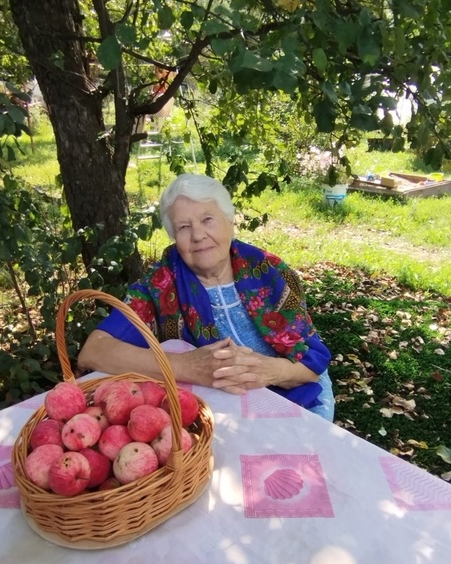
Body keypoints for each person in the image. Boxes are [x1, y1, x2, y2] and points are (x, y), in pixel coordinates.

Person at [77, 174, 335, 421]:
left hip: (295, 392)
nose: (198, 235)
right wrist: (187, 366)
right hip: (217, 409)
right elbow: (94, 350)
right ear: (174, 237)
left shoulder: (270, 273)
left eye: (208, 219)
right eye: (184, 227)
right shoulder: (160, 284)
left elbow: (311, 366)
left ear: (229, 221)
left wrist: (268, 371)